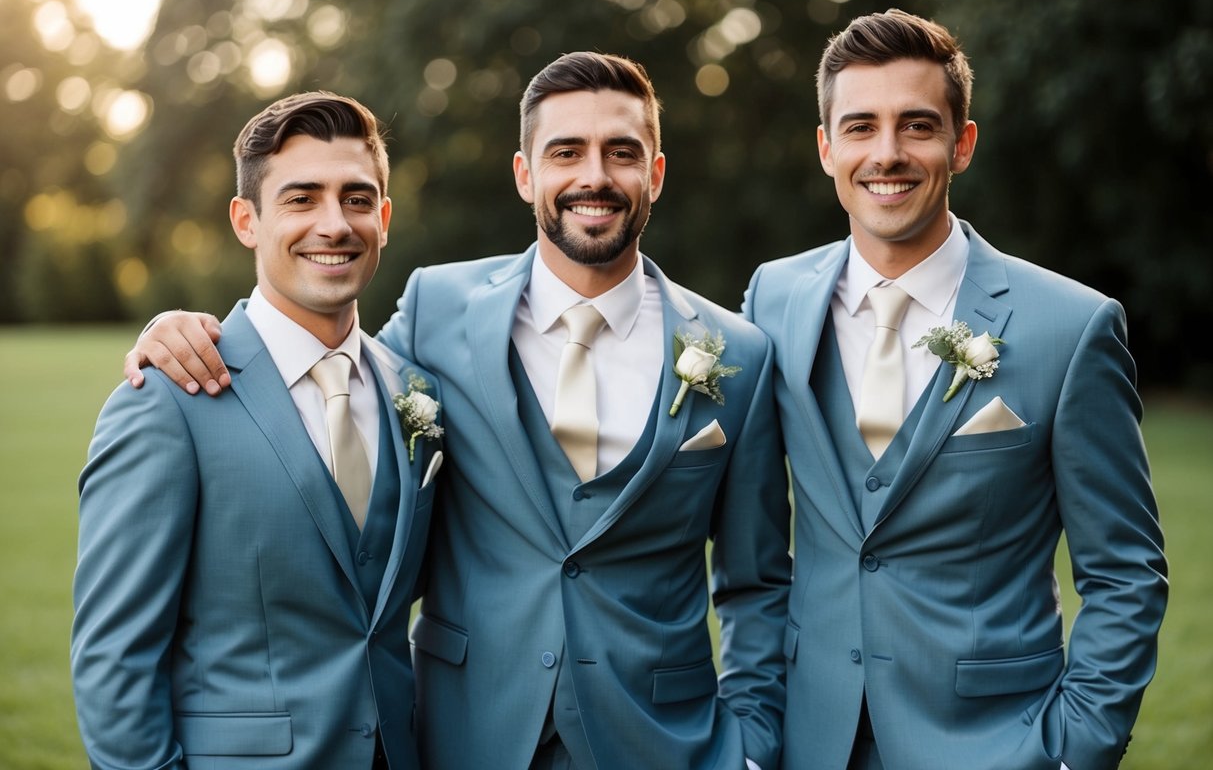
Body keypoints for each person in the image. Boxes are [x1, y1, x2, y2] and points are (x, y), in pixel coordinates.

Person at [124, 53, 792, 769]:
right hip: (464, 738)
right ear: (525, 175)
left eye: (621, 153)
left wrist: (751, 743)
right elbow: (318, 376)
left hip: (664, 744)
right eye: (566, 152)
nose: (593, 176)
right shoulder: (436, 311)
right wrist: (179, 330)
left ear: (654, 174)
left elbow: (757, 581)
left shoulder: (740, 355)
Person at [742, 9, 1168, 769]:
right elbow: (750, 551)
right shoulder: (771, 300)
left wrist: (1073, 749)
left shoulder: (1070, 326)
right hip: (808, 740)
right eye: (860, 127)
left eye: (916, 126)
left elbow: (1124, 570)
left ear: (961, 144)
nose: (887, 153)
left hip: (996, 743)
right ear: (826, 147)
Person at [72, 91, 444, 769]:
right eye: (302, 199)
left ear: (384, 219)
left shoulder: (416, 391)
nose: (335, 224)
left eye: (356, 199)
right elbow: (113, 659)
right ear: (247, 220)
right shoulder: (166, 402)